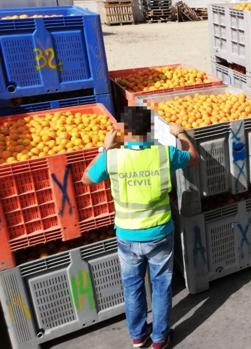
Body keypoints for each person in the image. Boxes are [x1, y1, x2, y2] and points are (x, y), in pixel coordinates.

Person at [82, 106, 199, 349]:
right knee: (161, 286)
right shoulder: (163, 154)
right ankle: (159, 339)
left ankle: (137, 336)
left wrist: (105, 146)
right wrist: (182, 135)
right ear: (150, 130)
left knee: (133, 287)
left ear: (122, 131)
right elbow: (193, 157)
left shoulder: (112, 157)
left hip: (126, 235)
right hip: (158, 233)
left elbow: (87, 178)